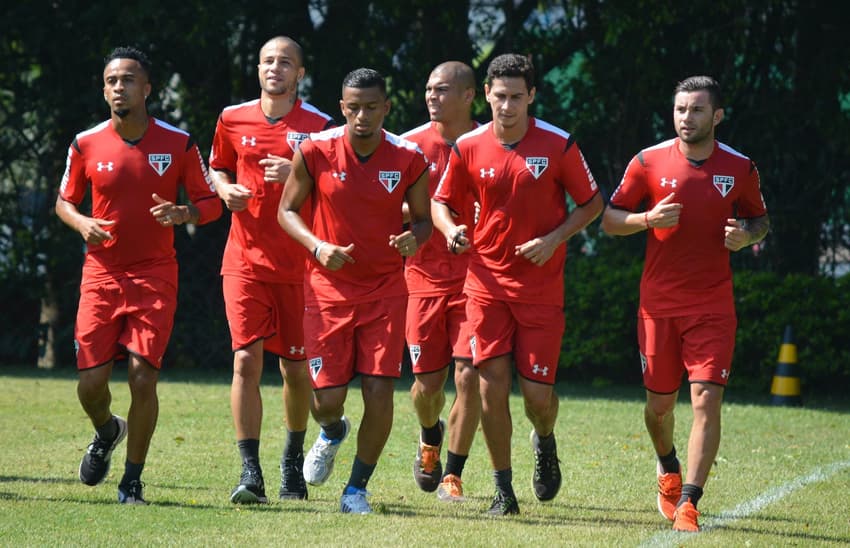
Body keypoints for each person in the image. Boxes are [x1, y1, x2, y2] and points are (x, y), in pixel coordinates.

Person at [431, 53, 603, 515]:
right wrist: (451, 231)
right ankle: (503, 491)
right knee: (489, 386)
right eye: (499, 96)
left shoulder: (559, 145)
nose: (506, 106)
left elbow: (591, 204)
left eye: (515, 97)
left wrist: (553, 239)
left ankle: (544, 440)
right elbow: (440, 203)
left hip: (541, 290)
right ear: (485, 94)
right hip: (485, 284)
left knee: (537, 398)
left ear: (532, 97)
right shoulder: (467, 146)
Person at [601, 75, 769, 532]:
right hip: (657, 306)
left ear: (716, 116)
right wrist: (645, 219)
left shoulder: (739, 167)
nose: (686, 118)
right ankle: (667, 464)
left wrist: (746, 236)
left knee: (705, 399)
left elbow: (759, 219)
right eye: (680, 109)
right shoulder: (648, 161)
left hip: (713, 306)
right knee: (658, 408)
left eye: (696, 110)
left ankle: (690, 502)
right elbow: (609, 220)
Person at [55, 46, 222, 505]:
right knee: (90, 385)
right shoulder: (85, 143)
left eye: (127, 80)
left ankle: (132, 481)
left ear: (147, 89)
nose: (118, 88)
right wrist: (81, 222)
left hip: (154, 275)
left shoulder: (179, 142)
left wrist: (183, 211)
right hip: (101, 274)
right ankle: (108, 431)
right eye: (111, 81)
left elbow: (212, 204)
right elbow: (63, 203)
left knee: (143, 378)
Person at [278, 68, 432, 514]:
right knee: (326, 400)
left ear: (386, 107)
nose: (362, 116)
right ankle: (331, 431)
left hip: (385, 291)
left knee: (380, 392)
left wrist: (414, 238)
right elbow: (286, 211)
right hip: (326, 291)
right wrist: (318, 245)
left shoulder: (408, 156)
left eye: (371, 107)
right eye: (353, 107)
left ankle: (356, 489)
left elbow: (422, 219)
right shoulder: (314, 150)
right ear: (342, 107)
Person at [209, 35, 334, 504]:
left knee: (295, 370)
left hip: (301, 267)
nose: (274, 68)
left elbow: (339, 189)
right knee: (245, 358)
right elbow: (216, 168)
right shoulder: (231, 117)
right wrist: (224, 191)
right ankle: (249, 472)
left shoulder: (321, 126)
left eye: (284, 62)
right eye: (267, 61)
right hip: (243, 260)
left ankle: (291, 461)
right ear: (257, 69)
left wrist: (298, 176)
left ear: (299, 73)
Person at [400, 61, 480, 502]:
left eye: (442, 89)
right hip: (423, 280)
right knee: (427, 388)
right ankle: (430, 433)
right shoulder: (408, 146)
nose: (431, 96)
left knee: (468, 377)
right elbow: (385, 205)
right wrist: (412, 225)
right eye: (428, 89)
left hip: (476, 281)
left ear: (469, 96)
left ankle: (452, 473)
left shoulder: (489, 142)